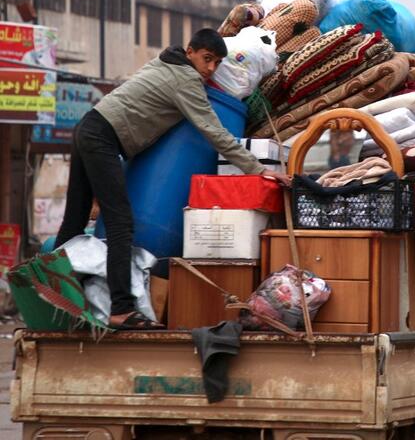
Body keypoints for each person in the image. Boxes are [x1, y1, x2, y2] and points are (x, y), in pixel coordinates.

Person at [54, 29, 289, 330]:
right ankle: (122, 309)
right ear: (190, 51)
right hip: (102, 138)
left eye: (217, 63)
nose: (211, 69)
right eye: (207, 59)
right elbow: (215, 133)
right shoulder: (187, 80)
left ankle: (51, 290)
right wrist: (260, 170)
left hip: (88, 128)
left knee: (74, 219)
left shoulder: (163, 62)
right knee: (120, 222)